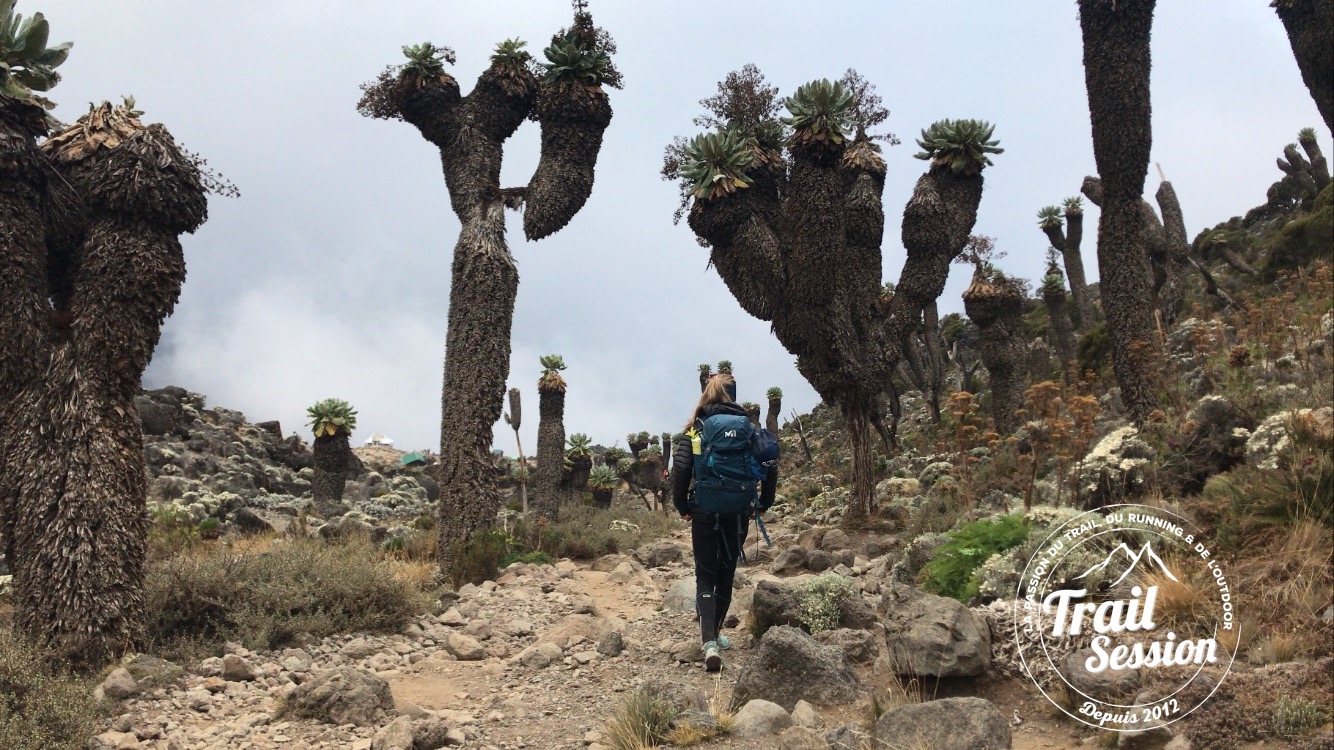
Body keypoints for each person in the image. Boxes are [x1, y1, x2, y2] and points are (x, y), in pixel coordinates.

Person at [671, 373, 777, 672]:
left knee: (704, 575)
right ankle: (715, 634)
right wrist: (764, 503)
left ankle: (709, 644)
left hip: (704, 509)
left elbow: (680, 472)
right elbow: (770, 465)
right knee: (726, 572)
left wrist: (682, 506)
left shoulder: (697, 429)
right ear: (734, 394)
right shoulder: (749, 428)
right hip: (739, 510)